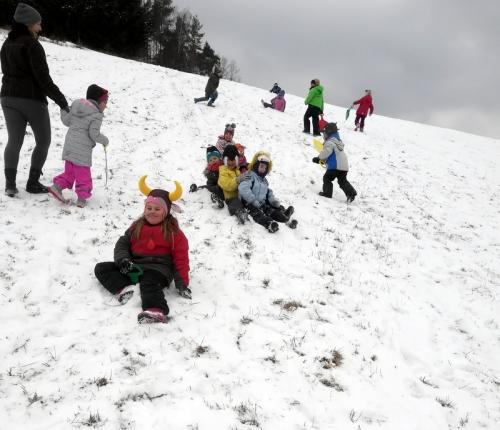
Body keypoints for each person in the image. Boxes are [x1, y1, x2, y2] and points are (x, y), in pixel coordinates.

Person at [1, 2, 69, 197]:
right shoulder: (32, 45)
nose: (40, 27)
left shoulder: (6, 44)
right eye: (38, 23)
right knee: (43, 141)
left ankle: (10, 185)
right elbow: (43, 78)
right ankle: (32, 182)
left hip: (7, 97)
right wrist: (62, 102)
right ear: (29, 24)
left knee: (14, 140)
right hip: (31, 99)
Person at [94, 188, 190, 324]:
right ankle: (125, 290)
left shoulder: (174, 233)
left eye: (157, 209)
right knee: (102, 268)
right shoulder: (136, 226)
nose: (152, 212)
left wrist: (182, 283)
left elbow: (181, 258)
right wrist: (123, 260)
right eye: (149, 208)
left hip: (158, 270)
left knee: (149, 281)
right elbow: (123, 243)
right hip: (135, 267)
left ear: (166, 211)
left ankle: (156, 310)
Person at [47, 84, 109, 208]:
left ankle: (57, 187)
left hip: (69, 147)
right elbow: (94, 134)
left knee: (69, 173)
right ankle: (81, 199)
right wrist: (104, 140)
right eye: (105, 102)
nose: (106, 105)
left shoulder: (75, 107)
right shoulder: (97, 115)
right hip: (82, 152)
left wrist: (63, 109)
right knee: (83, 175)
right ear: (98, 101)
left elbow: (66, 121)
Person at [238, 151, 296, 233]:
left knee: (270, 210)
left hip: (261, 203)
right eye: (261, 166)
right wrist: (253, 200)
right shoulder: (249, 175)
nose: (263, 169)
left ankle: (285, 218)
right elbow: (243, 188)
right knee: (257, 213)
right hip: (248, 203)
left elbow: (268, 191)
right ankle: (269, 224)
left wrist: (272, 200)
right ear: (256, 164)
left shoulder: (264, 180)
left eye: (265, 168)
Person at [312, 122, 357, 203]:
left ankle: (327, 193)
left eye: (324, 133)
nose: (323, 135)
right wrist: (321, 161)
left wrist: (318, 158)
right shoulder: (338, 142)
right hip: (344, 166)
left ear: (329, 133)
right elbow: (332, 155)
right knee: (342, 181)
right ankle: (351, 193)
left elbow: (327, 152)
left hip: (335, 166)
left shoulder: (330, 142)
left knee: (327, 178)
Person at [218, 144, 247, 224]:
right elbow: (227, 185)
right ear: (224, 160)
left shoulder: (238, 170)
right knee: (235, 203)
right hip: (230, 197)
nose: (231, 162)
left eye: (233, 159)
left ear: (237, 160)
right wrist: (238, 180)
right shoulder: (223, 171)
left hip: (241, 195)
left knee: (247, 201)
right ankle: (239, 213)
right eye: (228, 160)